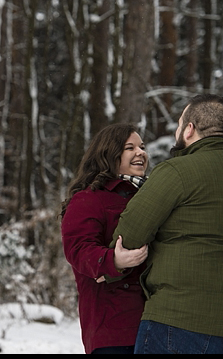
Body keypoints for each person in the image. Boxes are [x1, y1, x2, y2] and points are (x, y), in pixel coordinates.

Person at [107, 94, 223, 354]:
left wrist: (106, 264)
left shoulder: (177, 171)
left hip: (178, 319)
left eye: (180, 124)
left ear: (190, 128)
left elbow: (130, 235)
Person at [60, 123, 152, 354]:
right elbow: (78, 249)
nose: (140, 152)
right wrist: (114, 261)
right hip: (112, 329)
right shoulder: (89, 198)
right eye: (130, 148)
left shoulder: (152, 197)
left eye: (142, 147)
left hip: (153, 324)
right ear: (109, 154)